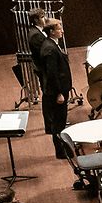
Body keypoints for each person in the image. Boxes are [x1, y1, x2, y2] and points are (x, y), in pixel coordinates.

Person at [36, 19, 72, 159]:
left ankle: (62, 148)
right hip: (57, 92)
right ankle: (61, 151)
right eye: (59, 28)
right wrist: (59, 93)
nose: (62, 31)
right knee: (59, 122)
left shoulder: (51, 44)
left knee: (60, 120)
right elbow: (52, 74)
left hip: (60, 89)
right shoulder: (50, 49)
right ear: (51, 31)